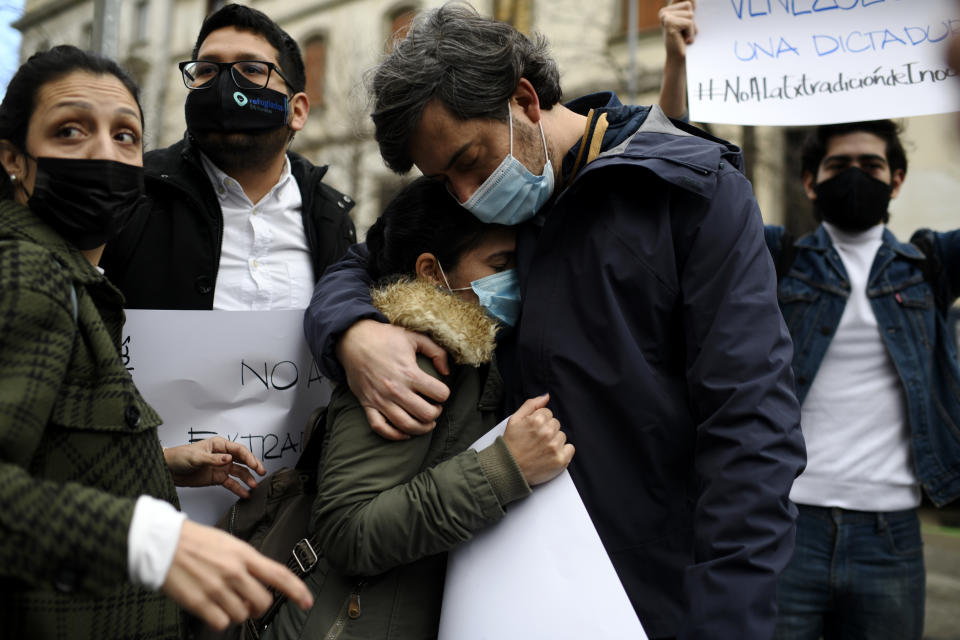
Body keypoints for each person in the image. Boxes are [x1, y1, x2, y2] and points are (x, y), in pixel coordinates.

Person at [303, 3, 806, 638]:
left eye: (468, 161)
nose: (463, 195)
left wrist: (730, 617)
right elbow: (355, 265)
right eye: (443, 179)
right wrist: (352, 331)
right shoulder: (489, 188)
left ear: (524, 100)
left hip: (651, 593)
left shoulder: (692, 190)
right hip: (507, 587)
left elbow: (751, 427)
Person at [0, 45, 313, 639]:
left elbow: (48, 453)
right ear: (14, 157)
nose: (104, 153)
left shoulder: (76, 281)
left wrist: (154, 467)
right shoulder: (27, 274)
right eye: (70, 131)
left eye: (125, 136)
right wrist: (154, 541)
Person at [264, 177, 573, 639]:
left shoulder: (476, 347)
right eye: (499, 263)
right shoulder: (408, 364)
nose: (516, 278)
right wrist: (503, 468)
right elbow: (349, 530)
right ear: (431, 271)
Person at [763, 120, 960, 640]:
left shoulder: (930, 267)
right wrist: (676, 69)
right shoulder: (778, 261)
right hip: (788, 524)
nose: (856, 176)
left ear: (896, 181)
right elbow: (688, 201)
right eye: (838, 165)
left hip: (890, 534)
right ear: (811, 181)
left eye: (871, 166)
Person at [100, 3, 356, 310]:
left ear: (297, 111)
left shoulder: (331, 217)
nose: (225, 86)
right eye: (207, 70)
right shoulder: (131, 195)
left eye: (251, 70)